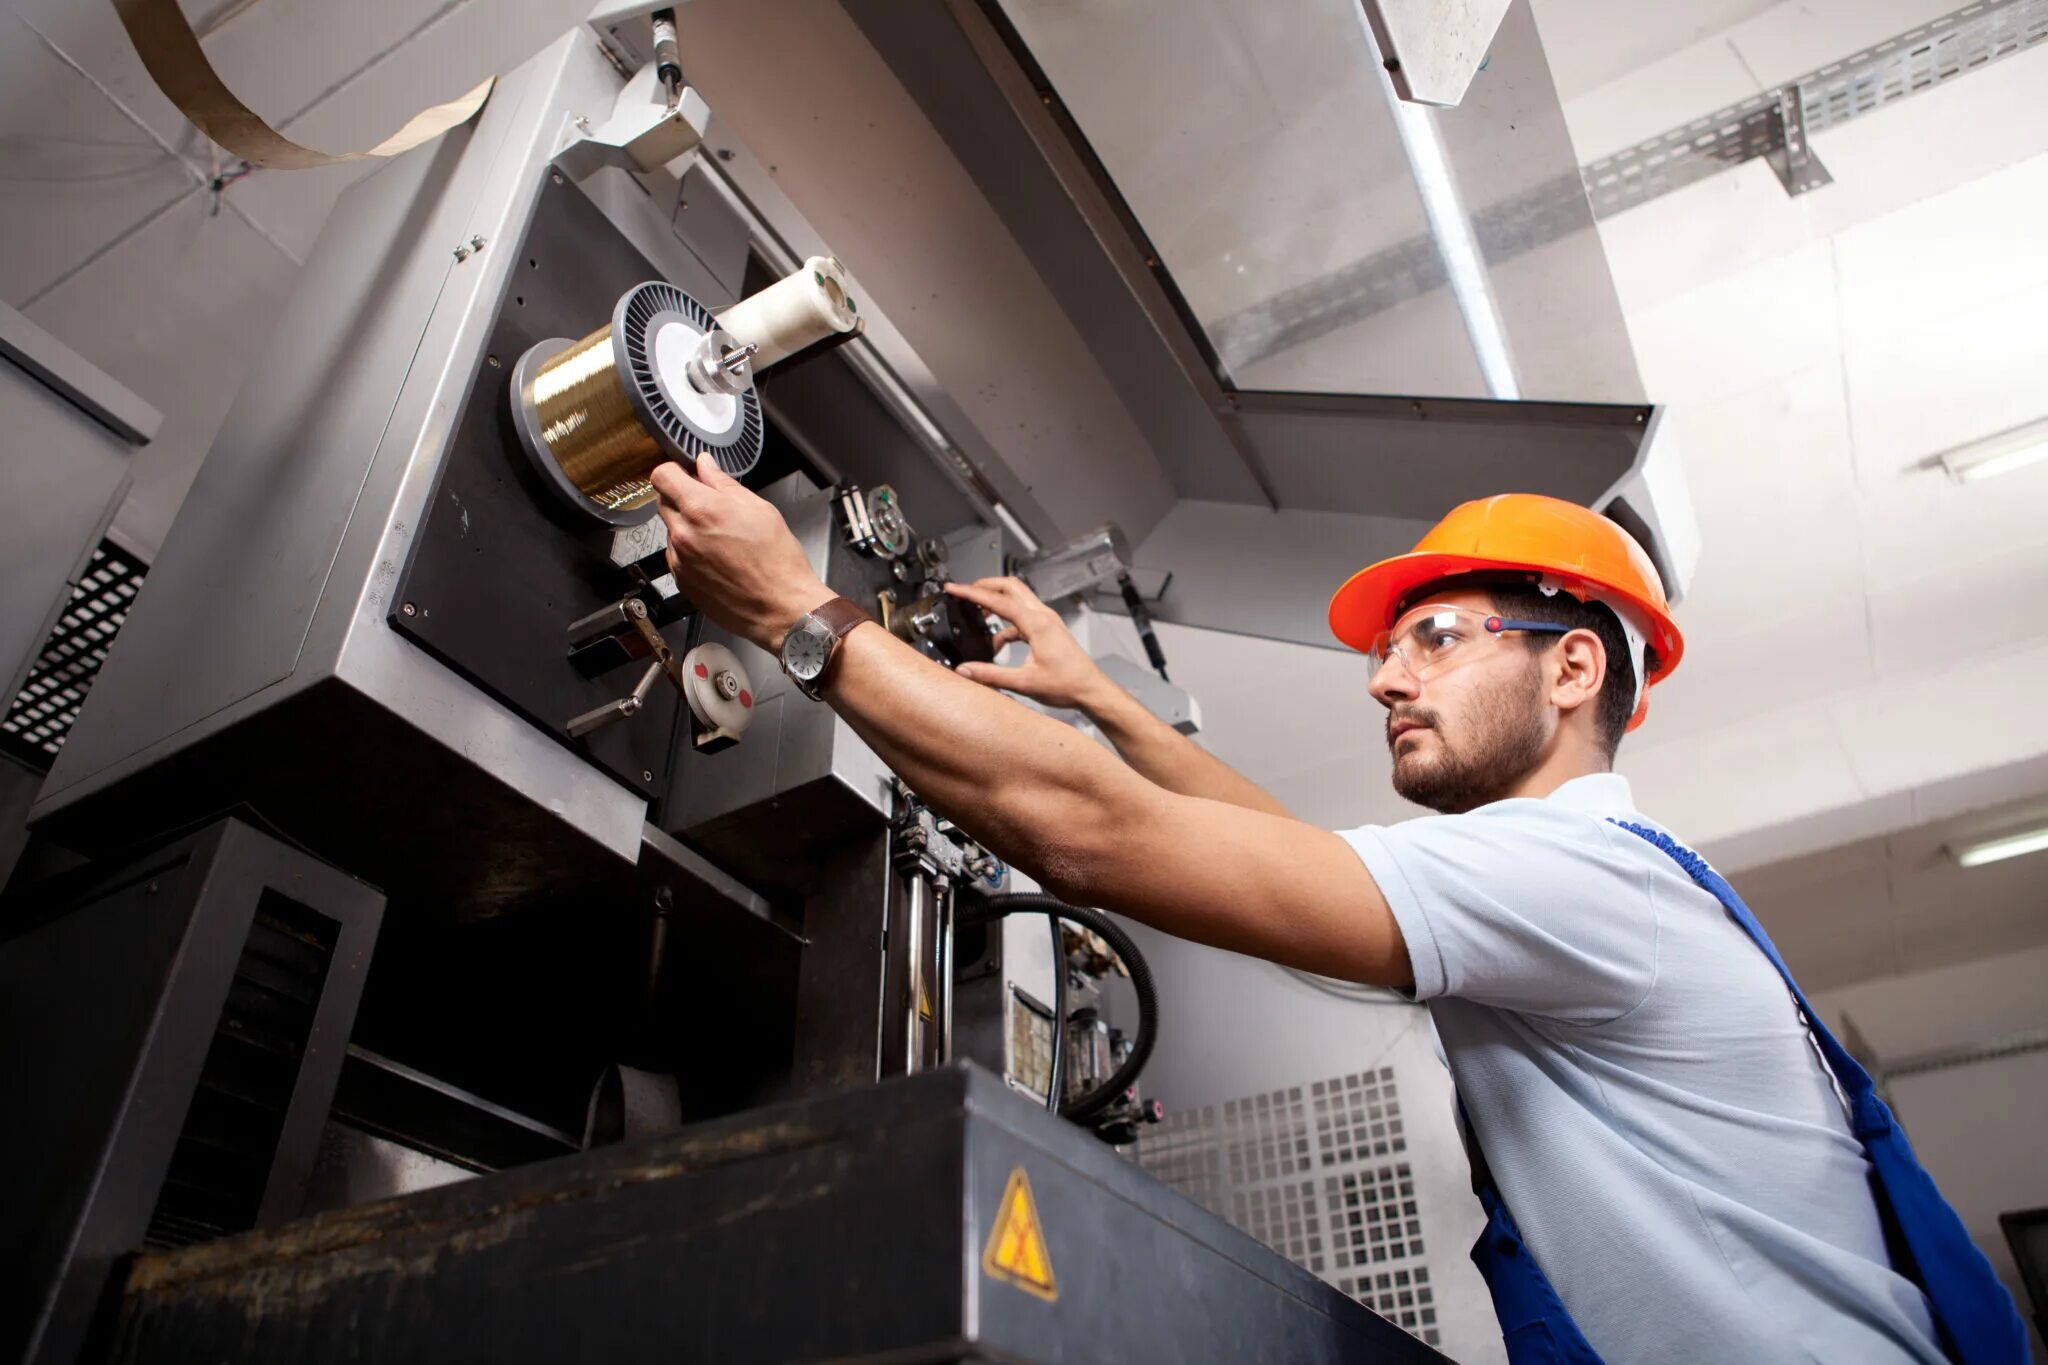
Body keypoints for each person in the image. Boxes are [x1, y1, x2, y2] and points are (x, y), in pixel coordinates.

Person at [649, 459, 2023, 1365]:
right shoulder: (1579, 885)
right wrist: (1113, 706)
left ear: (1573, 666)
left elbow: (1082, 832)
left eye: (1434, 636)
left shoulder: (1582, 877)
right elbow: (1296, 857)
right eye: (1383, 649)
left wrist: (794, 606)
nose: (1382, 678)